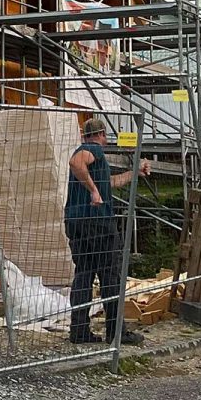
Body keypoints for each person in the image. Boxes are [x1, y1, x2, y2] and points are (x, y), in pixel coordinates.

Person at [65, 117, 150, 345]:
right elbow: (75, 163)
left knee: (84, 274)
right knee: (111, 274)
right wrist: (93, 191)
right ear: (102, 134)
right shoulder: (92, 149)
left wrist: (135, 172)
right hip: (98, 222)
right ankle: (116, 332)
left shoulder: (93, 159)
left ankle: (79, 330)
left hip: (76, 222)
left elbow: (109, 182)